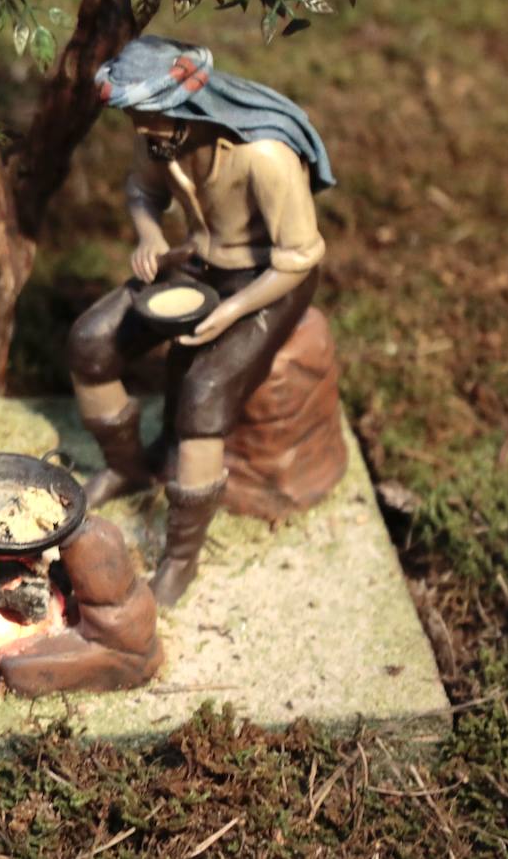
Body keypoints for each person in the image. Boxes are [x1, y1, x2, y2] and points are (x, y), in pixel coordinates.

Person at [68, 36, 335, 607]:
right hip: (196, 262)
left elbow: (300, 257)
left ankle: (180, 556)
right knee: (91, 342)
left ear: (186, 109)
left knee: (203, 389)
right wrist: (149, 234)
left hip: (265, 279)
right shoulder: (161, 140)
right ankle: (128, 467)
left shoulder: (264, 156)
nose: (138, 128)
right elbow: (141, 189)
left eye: (146, 114)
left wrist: (233, 312)